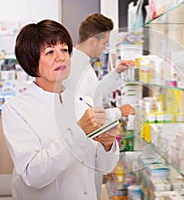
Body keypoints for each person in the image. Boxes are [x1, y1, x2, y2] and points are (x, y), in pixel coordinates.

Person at [1, 19, 119, 200]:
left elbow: (103, 166)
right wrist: (80, 131)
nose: (61, 57)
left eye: (64, 50)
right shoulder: (16, 109)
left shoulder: (83, 102)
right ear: (31, 62)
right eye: (50, 52)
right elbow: (33, 175)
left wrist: (108, 143)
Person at [63, 13, 135, 198]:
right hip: (80, 146)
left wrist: (116, 72)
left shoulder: (80, 63)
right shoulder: (76, 67)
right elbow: (90, 112)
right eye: (104, 43)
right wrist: (120, 111)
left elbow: (95, 92)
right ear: (93, 41)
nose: (104, 49)